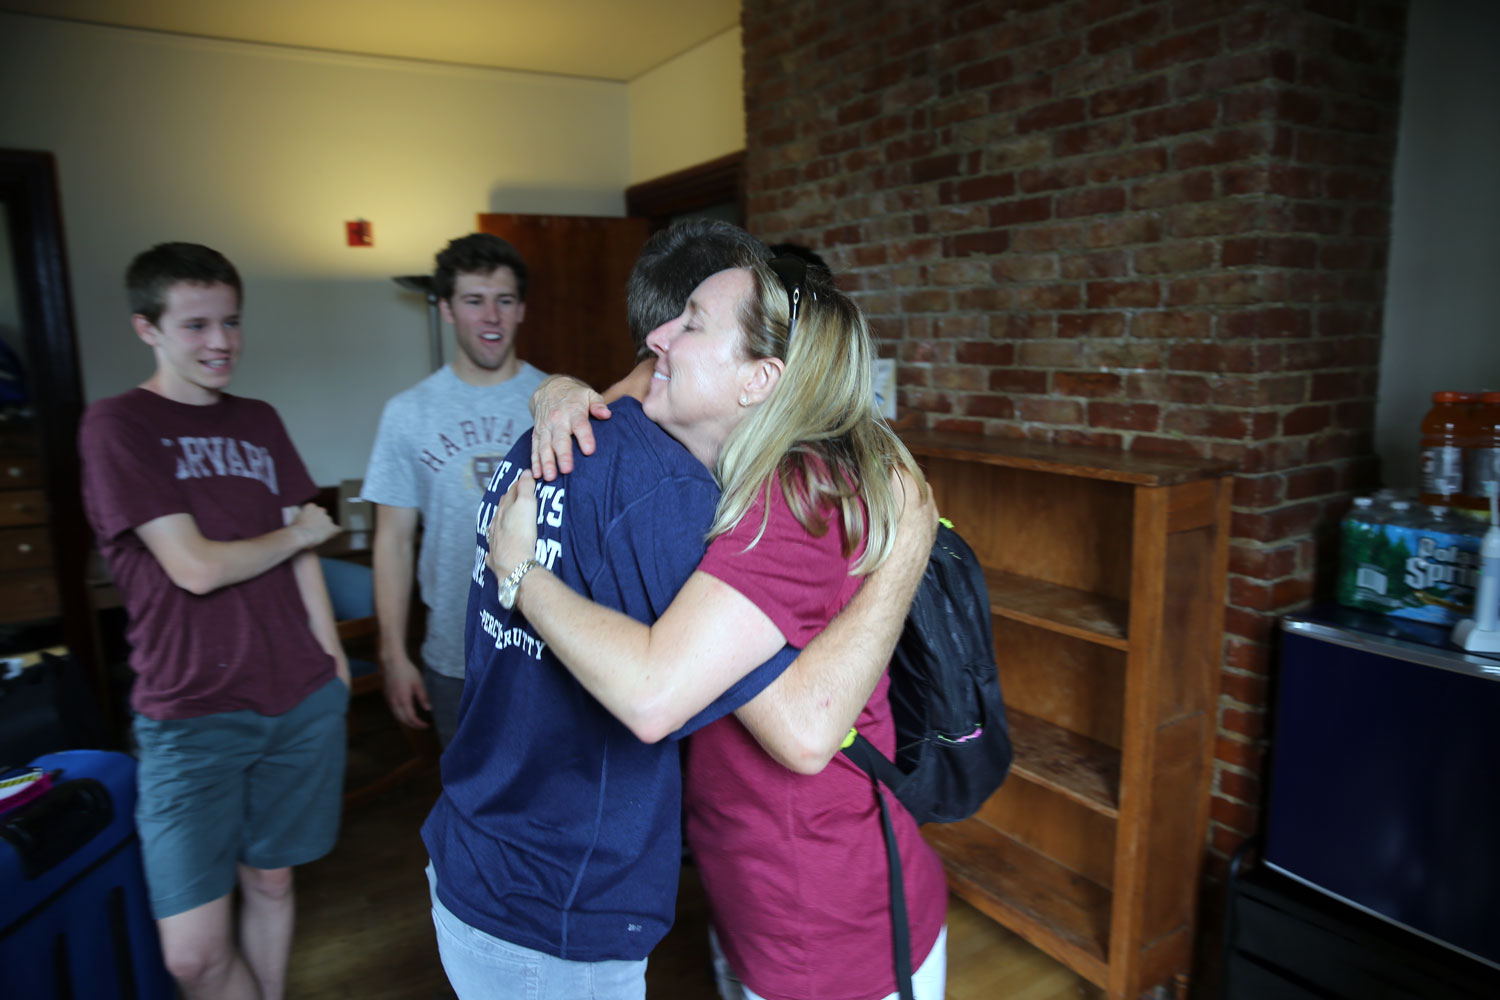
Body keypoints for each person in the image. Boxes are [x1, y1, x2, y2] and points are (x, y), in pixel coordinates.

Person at [422, 219, 936, 1000]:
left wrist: (522, 568)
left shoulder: (744, 493)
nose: (662, 339)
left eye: (693, 324)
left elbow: (787, 727)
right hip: (582, 894)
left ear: (760, 376)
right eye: (677, 320)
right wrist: (558, 390)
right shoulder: (675, 484)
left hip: (810, 904)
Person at [78, 242, 348, 1000]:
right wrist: (300, 532)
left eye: (230, 322)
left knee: (271, 882)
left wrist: (331, 663)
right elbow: (193, 566)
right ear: (147, 328)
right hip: (190, 712)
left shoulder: (259, 420)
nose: (221, 342)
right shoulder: (117, 425)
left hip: (299, 697)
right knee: (192, 957)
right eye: (195, 325)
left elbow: (305, 557)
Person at [361, 233, 547, 746]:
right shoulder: (407, 413)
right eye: (473, 301)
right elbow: (393, 542)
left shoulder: (554, 402)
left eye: (504, 300)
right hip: (452, 657)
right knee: (464, 791)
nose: (491, 316)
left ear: (521, 309)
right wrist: (393, 654)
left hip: (544, 652)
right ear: (446, 309)